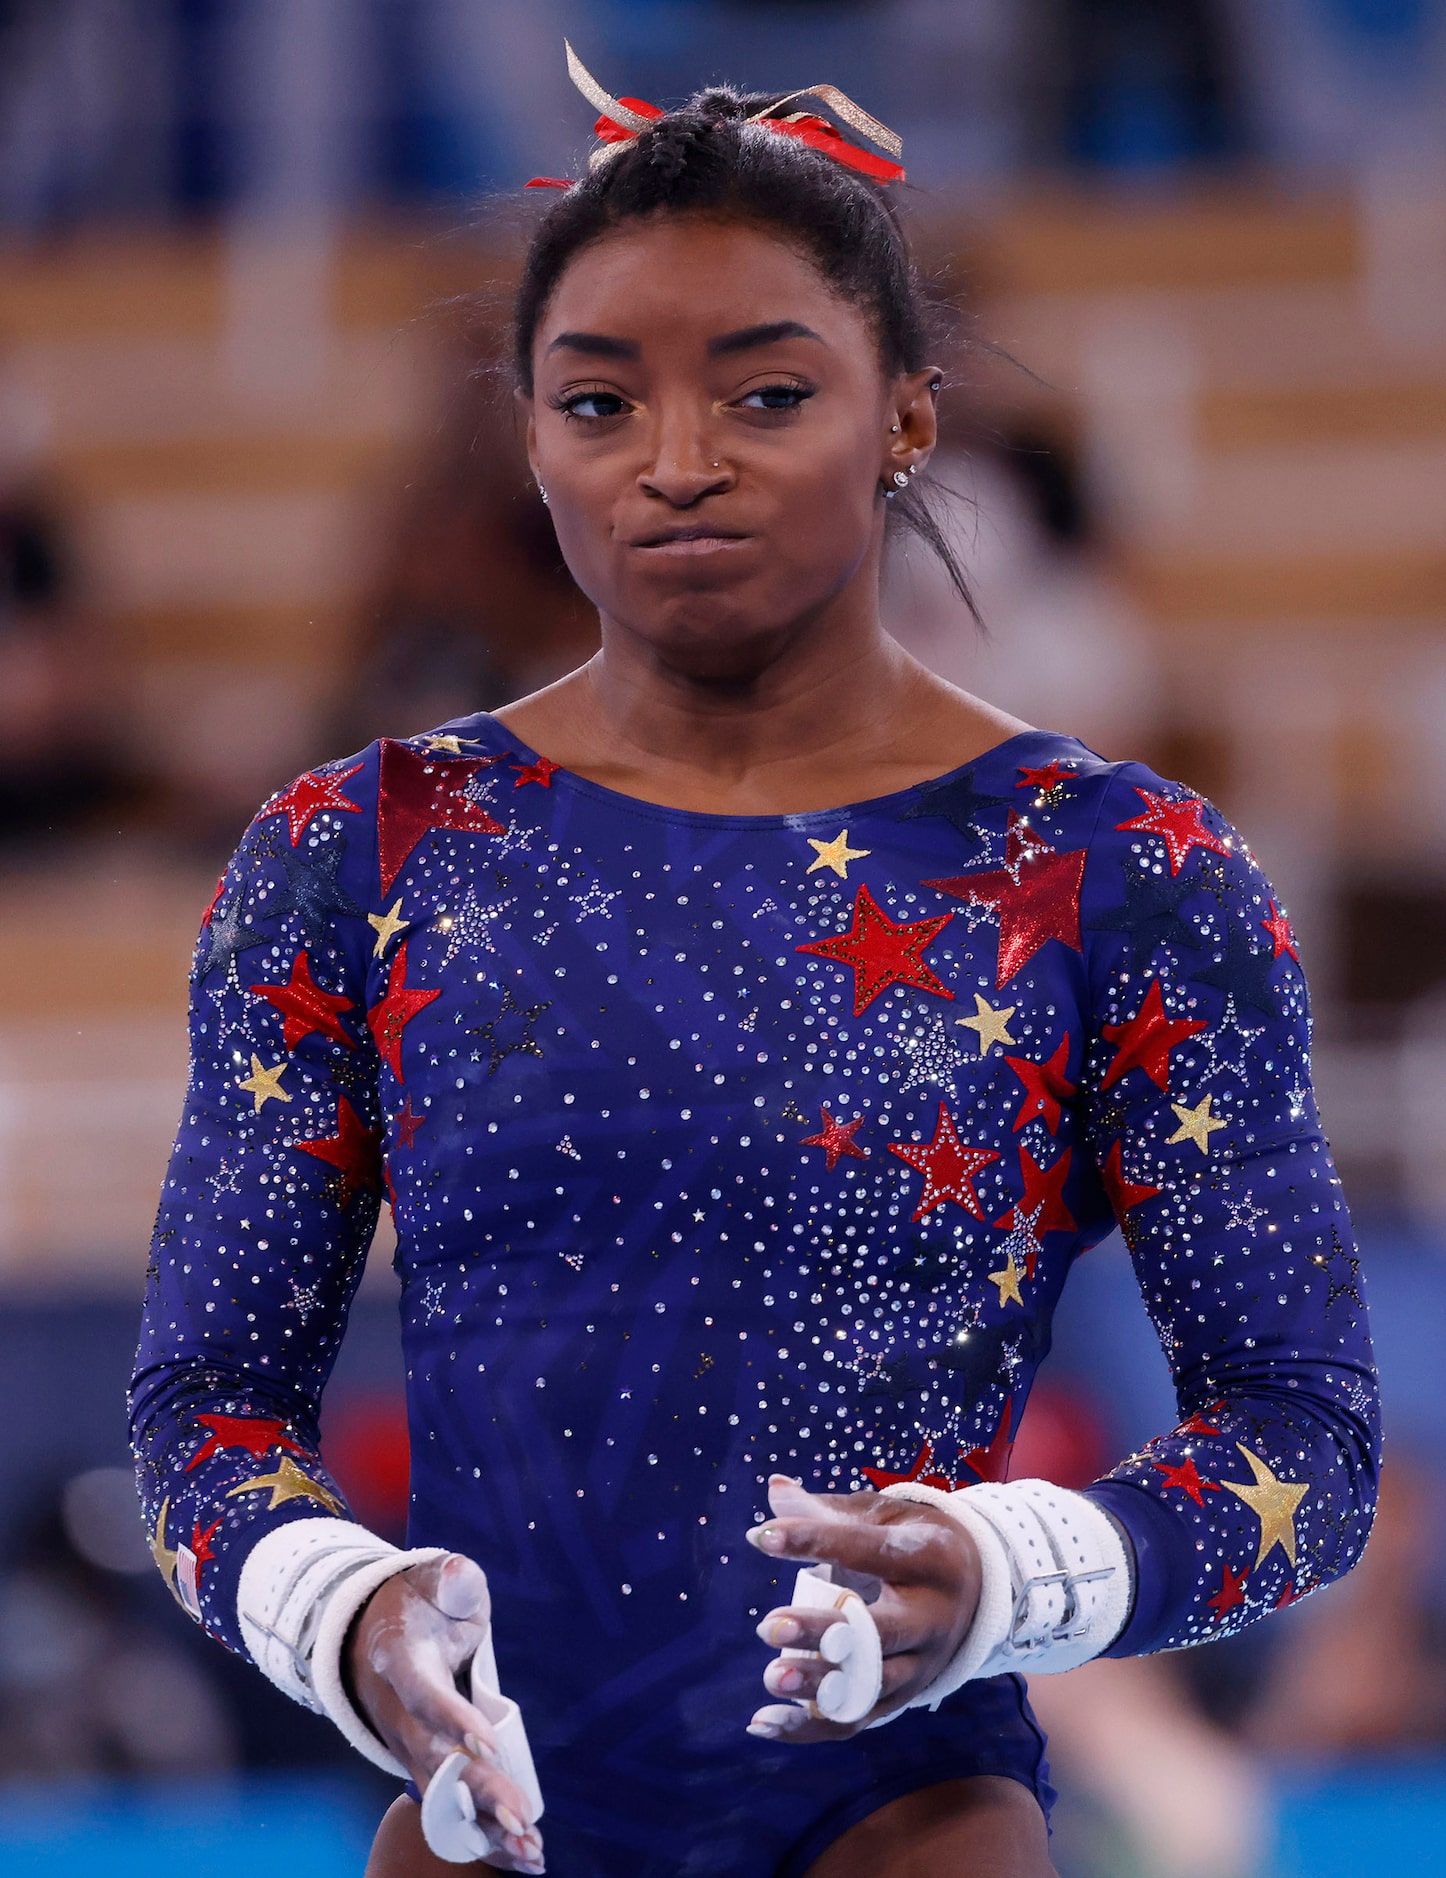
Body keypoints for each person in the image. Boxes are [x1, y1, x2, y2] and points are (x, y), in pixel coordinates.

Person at [129, 51, 1380, 1878]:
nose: (679, 465)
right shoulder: (359, 852)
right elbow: (202, 1408)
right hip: (494, 1826)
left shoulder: (1116, 870)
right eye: (598, 403)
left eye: (767, 393)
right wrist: (347, 1606)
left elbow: (1307, 1440)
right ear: (527, 428)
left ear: (908, 417)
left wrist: (1007, 1574)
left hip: (902, 1821)